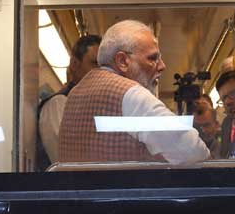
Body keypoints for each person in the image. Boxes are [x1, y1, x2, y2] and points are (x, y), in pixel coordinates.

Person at [59, 20, 209, 164]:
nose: (162, 66)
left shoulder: (74, 94)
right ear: (123, 61)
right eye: (153, 58)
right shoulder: (131, 95)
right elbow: (194, 151)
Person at [37, 34, 101, 170]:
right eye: (95, 64)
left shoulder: (94, 108)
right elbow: (66, 163)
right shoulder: (58, 105)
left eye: (104, 66)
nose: (101, 72)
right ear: (75, 65)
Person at [193, 94, 222, 158]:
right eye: (197, 126)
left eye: (206, 125)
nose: (202, 130)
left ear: (216, 124)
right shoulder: (190, 143)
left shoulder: (223, 141)